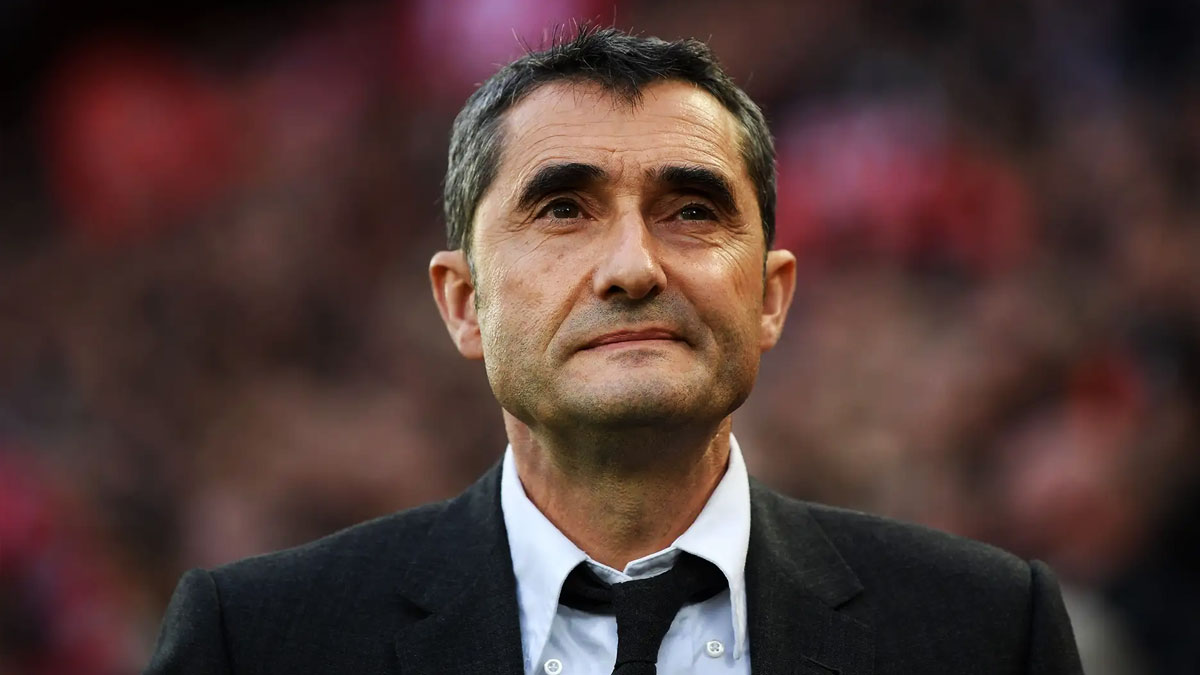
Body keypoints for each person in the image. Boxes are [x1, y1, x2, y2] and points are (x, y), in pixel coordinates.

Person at [145, 27, 1083, 674]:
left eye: (692, 210)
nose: (633, 266)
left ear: (770, 296)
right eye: (563, 209)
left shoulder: (986, 630)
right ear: (464, 303)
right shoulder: (259, 642)